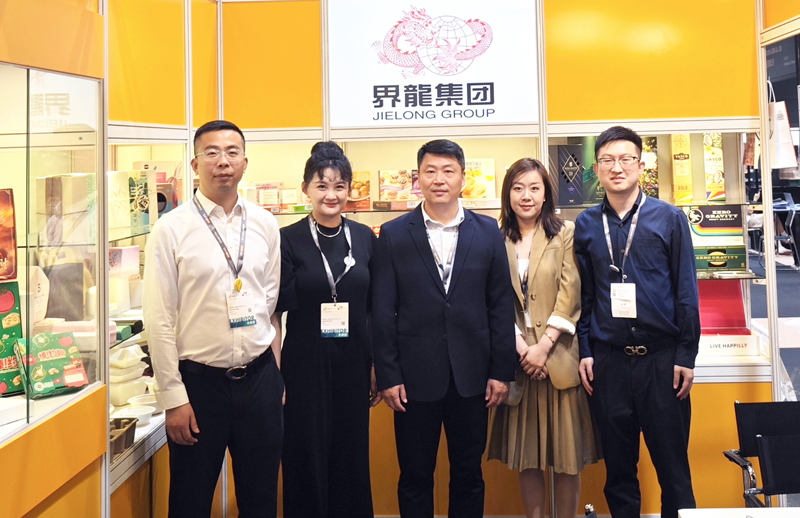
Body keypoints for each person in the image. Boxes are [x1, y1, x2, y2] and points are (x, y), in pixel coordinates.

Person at [144, 120, 284, 518]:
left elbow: (268, 299)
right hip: (198, 387)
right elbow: (158, 319)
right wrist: (174, 398)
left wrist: (273, 377)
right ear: (195, 164)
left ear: (244, 162)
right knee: (190, 501)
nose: (223, 161)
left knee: (260, 501)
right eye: (212, 153)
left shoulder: (264, 223)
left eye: (232, 152)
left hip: (259, 381)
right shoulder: (170, 229)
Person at [372, 139, 516, 518]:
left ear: (463, 178)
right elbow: (383, 311)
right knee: (415, 476)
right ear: (417, 178)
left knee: (469, 474)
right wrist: (388, 375)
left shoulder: (488, 231)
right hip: (413, 379)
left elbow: (500, 306)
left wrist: (501, 371)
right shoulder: (394, 234)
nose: (439, 179)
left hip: (473, 377)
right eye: (430, 171)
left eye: (448, 171)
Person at [574, 126, 700, 518]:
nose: (617, 168)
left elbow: (685, 291)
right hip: (609, 363)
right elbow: (585, 296)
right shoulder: (586, 224)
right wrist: (585, 350)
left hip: (661, 362)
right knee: (618, 473)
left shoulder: (669, 218)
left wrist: (686, 355)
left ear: (641, 166)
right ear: (597, 169)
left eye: (626, 159)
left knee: (674, 474)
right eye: (608, 160)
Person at [487, 158, 599, 518]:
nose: (526, 196)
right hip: (519, 363)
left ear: (546, 193)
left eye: (534, 188)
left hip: (559, 359)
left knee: (567, 461)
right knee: (528, 460)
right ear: (508, 194)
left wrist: (544, 346)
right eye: (518, 188)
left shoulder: (565, 232)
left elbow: (571, 292)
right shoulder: (495, 237)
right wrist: (523, 348)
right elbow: (492, 298)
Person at [276, 142, 379, 518]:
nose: (331, 195)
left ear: (350, 189)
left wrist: (375, 364)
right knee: (305, 451)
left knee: (352, 452)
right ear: (306, 188)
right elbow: (275, 314)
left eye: (339, 186)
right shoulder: (288, 238)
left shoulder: (365, 238)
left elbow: (375, 309)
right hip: (304, 363)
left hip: (354, 362)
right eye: (321, 186)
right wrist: (276, 375)